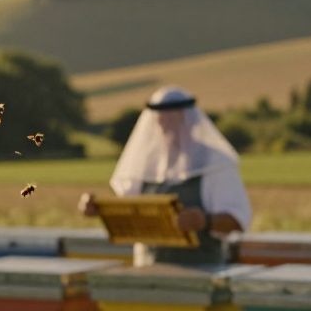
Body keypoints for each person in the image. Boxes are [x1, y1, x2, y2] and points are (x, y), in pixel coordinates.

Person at [80, 86, 251, 264]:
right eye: (162, 118)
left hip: (202, 270)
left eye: (174, 118)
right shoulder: (145, 163)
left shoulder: (215, 162)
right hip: (148, 269)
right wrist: (100, 208)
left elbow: (237, 220)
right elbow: (129, 210)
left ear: (189, 120)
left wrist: (205, 221)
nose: (166, 123)